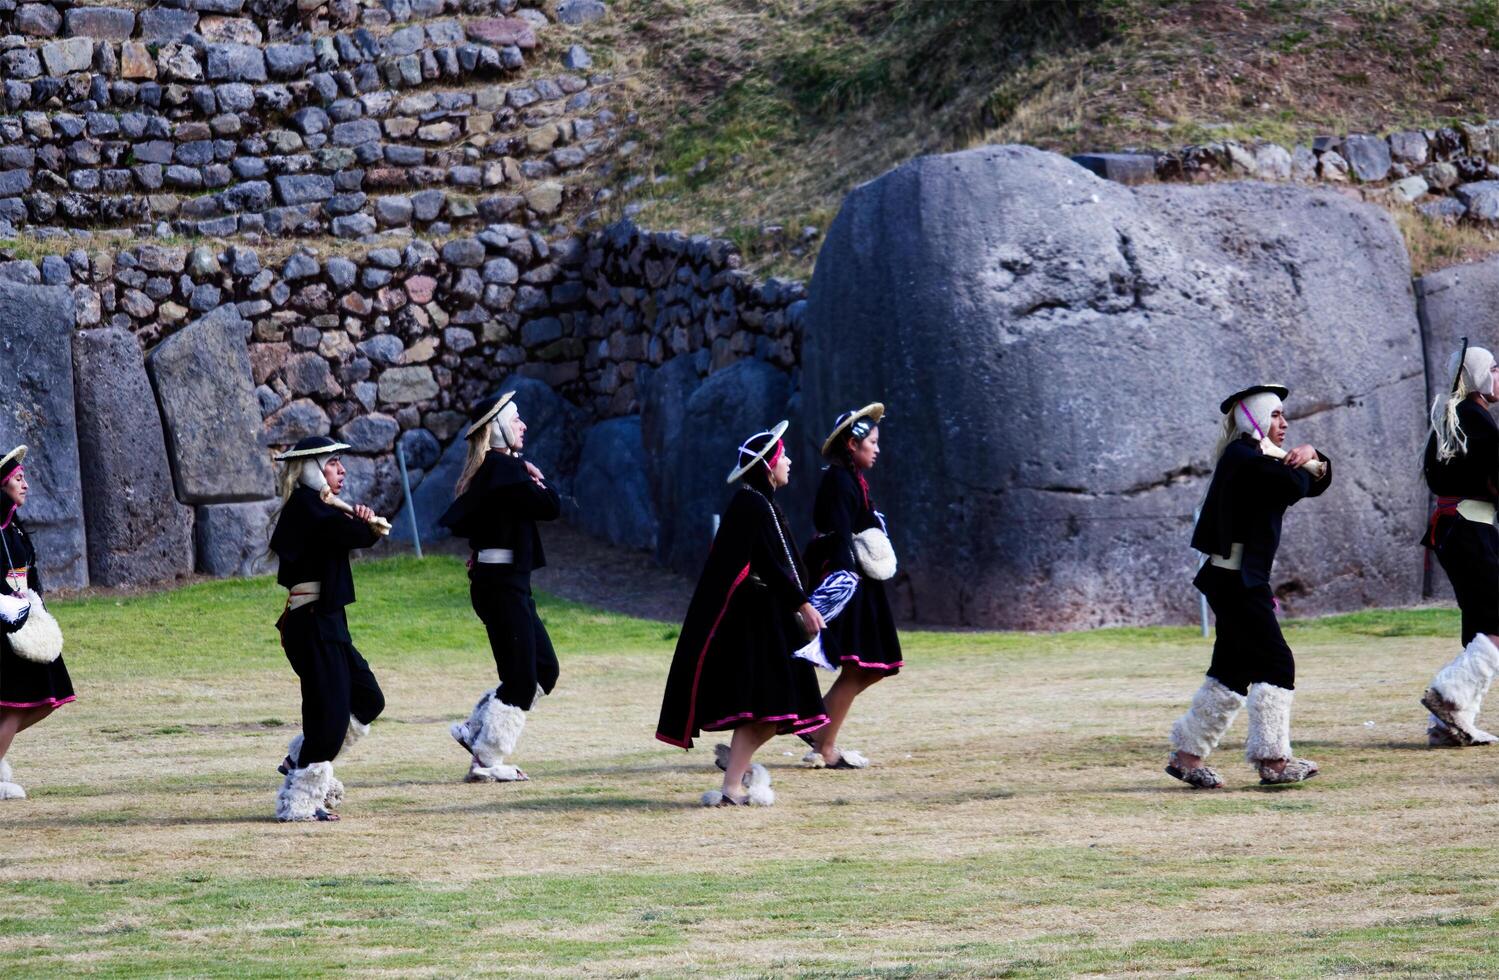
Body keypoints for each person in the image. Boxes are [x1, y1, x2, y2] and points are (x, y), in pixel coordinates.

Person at [1166, 384, 1331, 788]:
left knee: (1232, 669)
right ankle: (1273, 761)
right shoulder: (1244, 456)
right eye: (1274, 415)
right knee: (1276, 662)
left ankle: (1186, 756)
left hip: (1236, 578)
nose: (1284, 422)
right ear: (1255, 419)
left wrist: (1314, 456)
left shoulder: (1257, 456)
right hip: (1236, 580)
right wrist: (1309, 461)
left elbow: (1314, 482)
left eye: (1283, 415)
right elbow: (1295, 486)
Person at [656, 422, 829, 806]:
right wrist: (802, 603)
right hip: (758, 623)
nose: (789, 461)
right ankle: (733, 784)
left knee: (774, 706)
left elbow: (781, 562)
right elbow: (768, 564)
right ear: (768, 465)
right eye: (783, 456)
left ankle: (734, 776)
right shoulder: (751, 503)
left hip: (770, 618)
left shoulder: (760, 502)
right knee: (771, 706)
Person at [440, 392, 561, 783]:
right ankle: (487, 757)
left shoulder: (495, 471)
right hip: (502, 586)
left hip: (505, 585)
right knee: (523, 678)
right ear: (497, 428)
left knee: (543, 669)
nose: (523, 425)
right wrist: (537, 479)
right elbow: (550, 508)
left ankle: (476, 731)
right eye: (517, 419)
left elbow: (460, 520)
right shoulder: (504, 470)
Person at [268, 436, 385, 822]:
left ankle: (303, 759)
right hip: (312, 622)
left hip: (328, 620)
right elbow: (348, 534)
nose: (342, 470)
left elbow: (350, 531)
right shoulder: (306, 506)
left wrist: (361, 522)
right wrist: (364, 524)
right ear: (312, 470)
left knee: (367, 698)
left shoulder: (321, 507)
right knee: (329, 715)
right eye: (333, 463)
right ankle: (301, 802)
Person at [798, 403, 902, 770]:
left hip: (860, 582)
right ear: (852, 444)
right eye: (871, 442)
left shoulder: (853, 479)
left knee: (872, 666)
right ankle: (818, 736)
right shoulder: (839, 481)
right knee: (862, 667)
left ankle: (820, 734)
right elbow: (838, 537)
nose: (877, 448)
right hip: (849, 583)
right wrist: (841, 588)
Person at [1419, 342, 1499, 747]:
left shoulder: (1451, 416)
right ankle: (1449, 698)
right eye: (1496, 369)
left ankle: (1452, 725)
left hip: (1454, 528)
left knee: (1481, 622)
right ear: (1481, 376)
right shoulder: (1475, 417)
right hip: (1470, 528)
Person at [0, 445, 74, 800]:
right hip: (5, 626)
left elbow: (29, 572)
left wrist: (35, 602)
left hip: (26, 620)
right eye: (18, 478)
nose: (25, 484)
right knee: (19, 701)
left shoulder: (14, 524)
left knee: (48, 697)